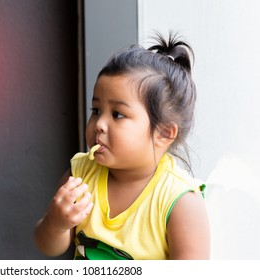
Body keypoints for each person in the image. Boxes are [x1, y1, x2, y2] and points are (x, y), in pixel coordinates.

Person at [34, 33, 210, 260]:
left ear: (163, 133)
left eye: (117, 114)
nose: (99, 124)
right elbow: (47, 245)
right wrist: (56, 224)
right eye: (96, 110)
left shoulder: (180, 201)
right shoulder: (81, 173)